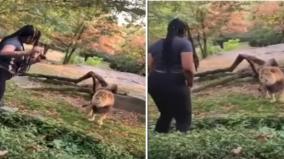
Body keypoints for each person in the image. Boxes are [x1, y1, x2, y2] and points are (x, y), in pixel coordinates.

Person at [148, 18, 198, 133]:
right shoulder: (184, 43)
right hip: (175, 82)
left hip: (154, 83)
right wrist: (190, 83)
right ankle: (181, 143)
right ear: (183, 30)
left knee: (166, 113)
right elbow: (187, 68)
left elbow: (151, 66)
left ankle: (159, 137)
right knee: (184, 116)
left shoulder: (155, 45)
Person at [0, 25, 43, 107]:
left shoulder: (19, 43)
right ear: (29, 37)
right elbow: (4, 52)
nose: (33, 41)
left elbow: (18, 63)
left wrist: (35, 61)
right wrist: (28, 52)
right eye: (34, 39)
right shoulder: (13, 41)